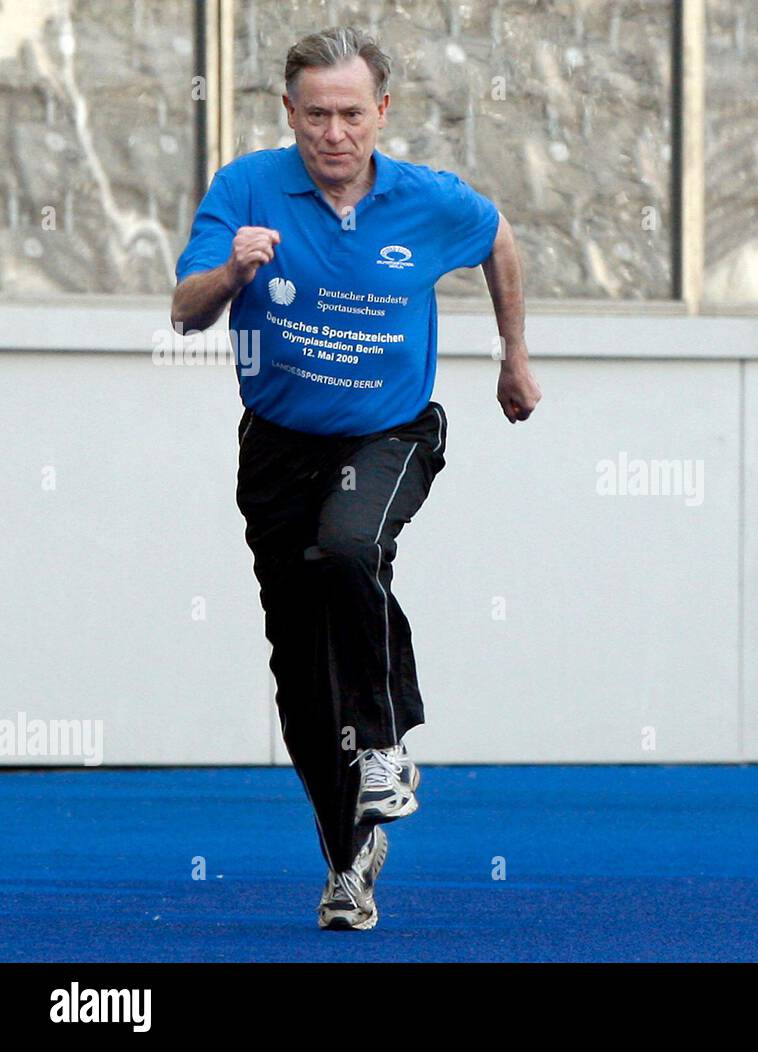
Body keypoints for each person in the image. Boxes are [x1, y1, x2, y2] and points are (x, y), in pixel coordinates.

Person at [170, 26, 541, 931]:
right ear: (288, 112)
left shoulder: (426, 200)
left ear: (382, 112)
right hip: (279, 448)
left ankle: (384, 743)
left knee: (350, 547)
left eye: (351, 114)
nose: (334, 134)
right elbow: (184, 313)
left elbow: (498, 239)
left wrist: (513, 357)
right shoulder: (247, 188)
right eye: (316, 116)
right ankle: (349, 862)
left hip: (391, 432)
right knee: (300, 672)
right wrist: (232, 270)